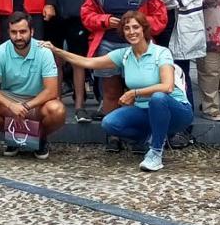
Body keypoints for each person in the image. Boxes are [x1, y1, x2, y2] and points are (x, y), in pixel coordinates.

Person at [48, 11, 192, 172]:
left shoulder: (160, 52)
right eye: (127, 28)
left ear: (144, 29)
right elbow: (88, 62)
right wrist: (57, 50)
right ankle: (147, 137)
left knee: (158, 98)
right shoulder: (124, 55)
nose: (132, 32)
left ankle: (156, 152)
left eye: (135, 27)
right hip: (145, 110)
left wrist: (134, 93)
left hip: (176, 111)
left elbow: (167, 87)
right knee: (110, 123)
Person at [80, 0, 168, 139]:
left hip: (138, 48)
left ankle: (136, 134)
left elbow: (161, 18)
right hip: (108, 44)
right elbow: (86, 15)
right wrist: (105, 20)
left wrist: (136, 25)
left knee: (137, 91)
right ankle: (113, 135)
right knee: (110, 91)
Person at [0, 12, 66, 158]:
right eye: (14, 32)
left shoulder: (44, 51)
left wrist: (26, 106)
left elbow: (51, 91)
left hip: (37, 100)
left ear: (32, 31)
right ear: (8, 32)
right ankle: (13, 136)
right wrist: (10, 105)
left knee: (57, 110)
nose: (18, 37)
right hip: (10, 100)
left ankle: (39, 138)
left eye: (23, 31)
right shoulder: (0, 51)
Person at [147, 0, 204, 146]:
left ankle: (183, 128)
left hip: (177, 25)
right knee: (153, 76)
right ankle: (158, 126)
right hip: (152, 26)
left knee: (179, 76)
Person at [43, 0, 92, 123]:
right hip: (53, 18)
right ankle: (56, 101)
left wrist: (82, 10)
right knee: (55, 61)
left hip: (75, 18)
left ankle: (80, 105)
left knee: (77, 61)